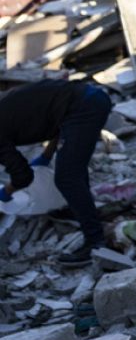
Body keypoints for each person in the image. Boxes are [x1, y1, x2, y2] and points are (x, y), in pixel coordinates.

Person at [0, 80, 113, 266]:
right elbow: (54, 116)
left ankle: (95, 242)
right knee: (73, 169)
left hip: (84, 107)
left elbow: (23, 177)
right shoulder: (5, 107)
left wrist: (6, 193)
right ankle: (81, 211)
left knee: (67, 177)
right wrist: (46, 155)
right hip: (87, 98)